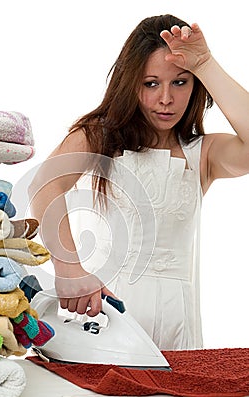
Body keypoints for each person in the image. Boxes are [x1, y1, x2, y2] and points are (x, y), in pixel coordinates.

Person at [28, 14, 249, 350]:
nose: (165, 98)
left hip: (181, 328)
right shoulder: (98, 136)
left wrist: (205, 63)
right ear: (130, 83)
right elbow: (44, 185)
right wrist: (69, 267)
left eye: (180, 82)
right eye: (151, 83)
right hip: (107, 316)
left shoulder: (202, 153)